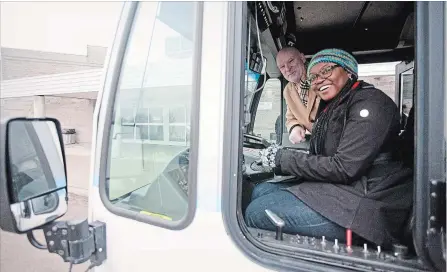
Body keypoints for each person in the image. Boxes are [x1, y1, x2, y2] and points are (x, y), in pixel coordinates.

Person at [245, 48, 413, 248]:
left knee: (256, 212)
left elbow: (343, 168)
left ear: (348, 71)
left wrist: (282, 159)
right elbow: (325, 154)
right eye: (314, 76)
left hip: (368, 204)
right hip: (345, 190)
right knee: (261, 190)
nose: (319, 80)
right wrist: (285, 156)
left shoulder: (371, 103)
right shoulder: (334, 105)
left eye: (326, 71)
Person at [276, 47, 320, 144]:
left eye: (291, 61)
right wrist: (295, 127)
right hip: (317, 143)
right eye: (282, 67)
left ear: (302, 58)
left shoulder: (321, 77)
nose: (287, 69)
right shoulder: (288, 91)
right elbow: (291, 118)